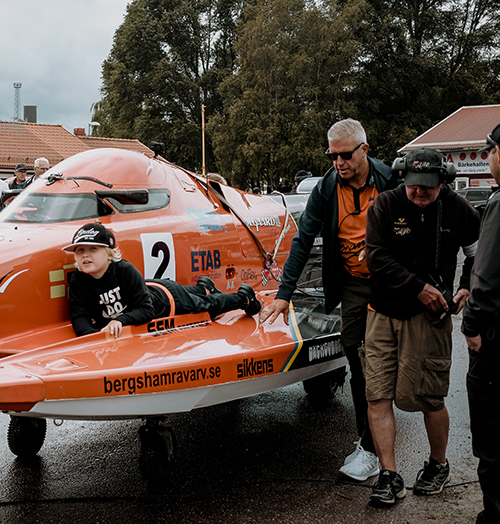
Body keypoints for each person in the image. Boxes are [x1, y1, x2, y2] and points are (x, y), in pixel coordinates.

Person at [260, 118, 399, 482]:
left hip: (388, 282)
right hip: (352, 284)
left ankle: (380, 439)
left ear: (364, 150)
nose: (338, 162)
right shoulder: (326, 188)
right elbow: (302, 242)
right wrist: (283, 296)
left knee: (385, 365)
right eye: (332, 155)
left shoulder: (389, 180)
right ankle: (368, 447)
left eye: (345, 155)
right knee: (357, 359)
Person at [364, 147, 480, 506]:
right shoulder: (385, 205)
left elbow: (479, 253)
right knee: (377, 394)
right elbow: (376, 257)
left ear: (442, 181)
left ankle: (438, 464)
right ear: (403, 177)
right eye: (414, 186)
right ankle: (389, 474)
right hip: (382, 312)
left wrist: (465, 285)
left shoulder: (460, 209)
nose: (419, 193)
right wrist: (419, 288)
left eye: (428, 188)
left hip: (428, 321)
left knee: (429, 395)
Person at [63, 222, 261, 337]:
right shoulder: (79, 280)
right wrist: (93, 338)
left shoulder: (124, 269)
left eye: (93, 249)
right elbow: (79, 315)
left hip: (166, 299)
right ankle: (203, 286)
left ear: (109, 254)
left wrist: (120, 321)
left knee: (208, 306)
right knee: (197, 294)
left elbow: (146, 310)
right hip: (151, 288)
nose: (85, 255)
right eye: (79, 251)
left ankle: (243, 298)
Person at [462, 124, 500, 524]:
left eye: (488, 150)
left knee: (491, 439)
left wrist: (470, 326)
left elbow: (485, 279)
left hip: (495, 340)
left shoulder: (499, 203)